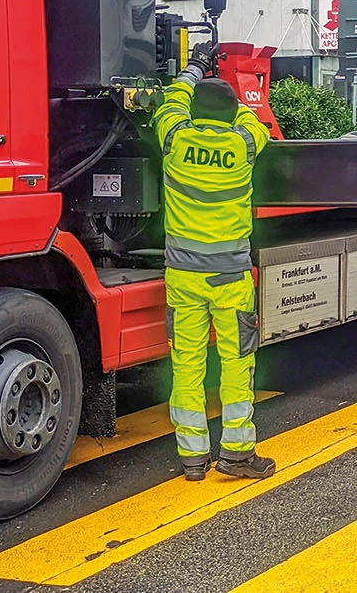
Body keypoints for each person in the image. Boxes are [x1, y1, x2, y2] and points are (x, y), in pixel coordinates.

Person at [153, 42, 274, 482]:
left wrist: (194, 69)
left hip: (183, 277)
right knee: (236, 363)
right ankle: (237, 455)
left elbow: (171, 101)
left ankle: (193, 460)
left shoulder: (174, 138)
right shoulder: (244, 144)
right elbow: (252, 117)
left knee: (186, 366)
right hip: (230, 279)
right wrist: (230, 90)